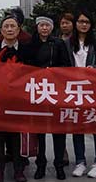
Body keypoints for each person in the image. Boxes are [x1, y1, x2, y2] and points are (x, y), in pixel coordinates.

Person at [63, 11, 96, 179]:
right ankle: (80, 161)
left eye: (87, 22)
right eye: (81, 21)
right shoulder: (67, 43)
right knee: (77, 126)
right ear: (75, 24)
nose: (83, 25)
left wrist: (94, 69)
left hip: (94, 89)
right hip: (74, 89)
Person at [0, 15, 29, 182]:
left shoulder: (26, 50)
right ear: (1, 30)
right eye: (6, 26)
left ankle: (19, 171)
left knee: (17, 138)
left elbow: (33, 73)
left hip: (19, 101)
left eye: (13, 26)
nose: (10, 29)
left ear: (18, 30)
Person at [27, 16, 71, 180]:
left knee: (58, 130)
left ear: (52, 28)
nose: (44, 28)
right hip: (38, 90)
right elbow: (26, 65)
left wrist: (54, 72)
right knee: (39, 132)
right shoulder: (31, 44)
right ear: (37, 27)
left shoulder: (59, 43)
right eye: (42, 25)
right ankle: (41, 164)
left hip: (55, 90)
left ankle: (59, 164)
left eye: (47, 25)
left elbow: (67, 65)